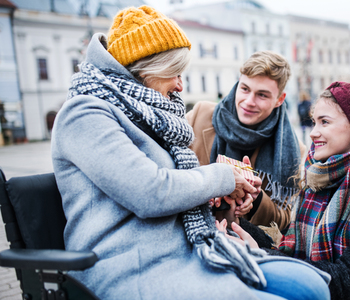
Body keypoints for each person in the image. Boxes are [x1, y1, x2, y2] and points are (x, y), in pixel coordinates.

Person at [51, 6, 330, 300]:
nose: (181, 85)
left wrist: (229, 193)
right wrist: (224, 177)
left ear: (279, 100)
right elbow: (151, 192)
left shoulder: (148, 115)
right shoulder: (84, 113)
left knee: (312, 287)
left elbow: (175, 184)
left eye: (262, 94)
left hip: (189, 247)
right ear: (149, 69)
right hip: (132, 263)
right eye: (175, 73)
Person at [218, 81, 350, 300]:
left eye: (324, 122)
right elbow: (290, 251)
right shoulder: (317, 178)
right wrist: (231, 214)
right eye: (314, 122)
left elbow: (345, 280)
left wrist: (259, 255)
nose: (313, 133)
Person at [187, 51, 306, 230]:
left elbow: (284, 222)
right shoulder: (200, 115)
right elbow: (170, 172)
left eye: (262, 95)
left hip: (240, 245)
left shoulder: (294, 149)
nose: (249, 101)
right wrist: (210, 186)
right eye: (245, 89)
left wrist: (257, 198)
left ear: (279, 100)